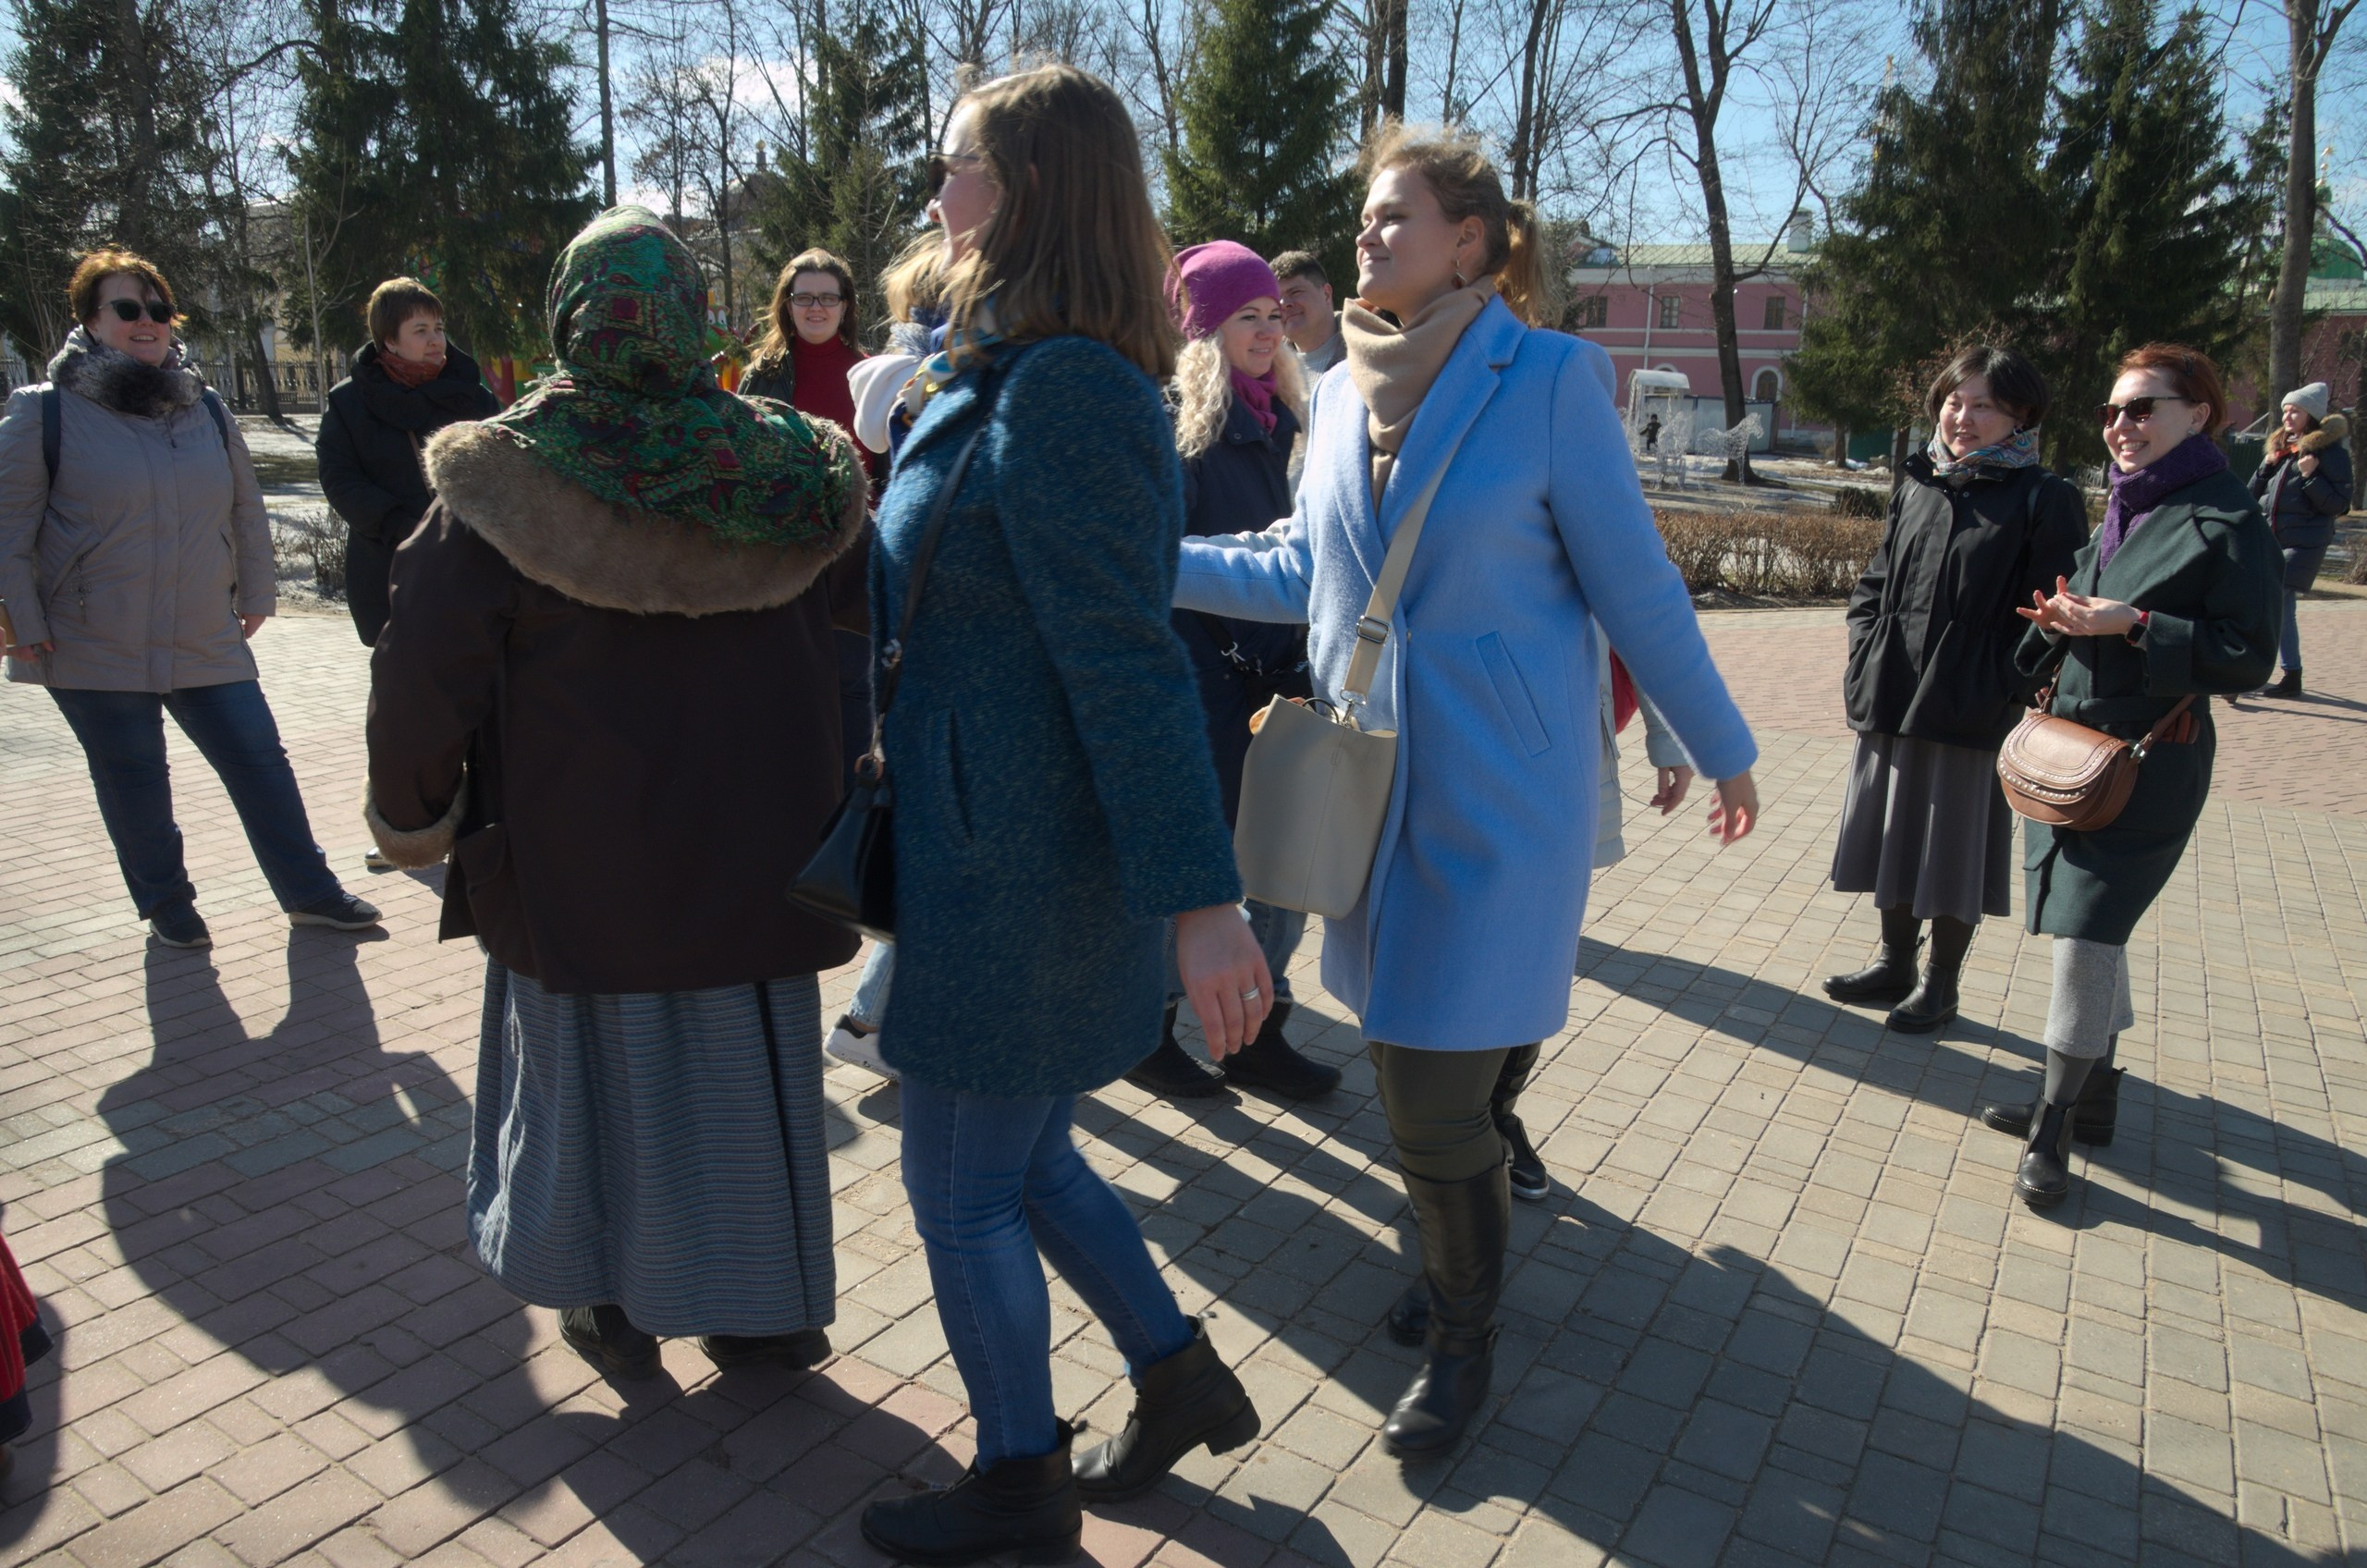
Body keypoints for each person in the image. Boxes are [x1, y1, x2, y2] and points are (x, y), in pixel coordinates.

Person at [1173, 126, 1760, 1460]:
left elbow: (1632, 580)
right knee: (1421, 1064)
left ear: (1470, 243)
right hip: (1368, 789)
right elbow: (1300, 570)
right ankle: (1453, 1241)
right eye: (1366, 215)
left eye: (1396, 216)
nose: (1366, 234)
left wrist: (1715, 739)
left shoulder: (1549, 378)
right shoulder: (1336, 392)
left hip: (1501, 798)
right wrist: (1152, 557)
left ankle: (1461, 1336)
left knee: (1432, 1092)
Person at [853, 67, 1271, 1567]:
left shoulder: (1072, 389)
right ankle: (1177, 1373)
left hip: (1019, 870)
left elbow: (1129, 662)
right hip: (993, 844)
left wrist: (1204, 900)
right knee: (1023, 1163)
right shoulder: (1008, 368)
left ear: (1028, 186)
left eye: (957, 164)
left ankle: (1020, 1483)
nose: (936, 194)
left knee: (959, 1187)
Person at [363, 207, 872, 1377]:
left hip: (580, 861)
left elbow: (422, 672)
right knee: (744, 1085)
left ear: (571, 314)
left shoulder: (502, 475)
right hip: (762, 861)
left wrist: (413, 812)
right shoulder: (792, 464)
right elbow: (876, 609)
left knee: (597, 1085)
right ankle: (763, 1306)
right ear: (692, 315)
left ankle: (612, 1292)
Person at [0, 250, 381, 949]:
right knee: (134, 777)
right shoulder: (45, 411)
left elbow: (244, 508)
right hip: (90, 635)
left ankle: (310, 893)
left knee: (260, 760)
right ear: (91, 321)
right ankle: (167, 905)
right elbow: (8, 529)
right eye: (127, 308)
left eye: (157, 309)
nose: (146, 321)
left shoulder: (201, 405)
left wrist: (257, 590)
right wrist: (20, 621)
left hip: (202, 627)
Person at [1980, 343, 2279, 1208]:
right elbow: (2085, 616)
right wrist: (2057, 622)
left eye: (2143, 408)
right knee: (2089, 931)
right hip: (2075, 754)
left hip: (2148, 766)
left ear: (2199, 415)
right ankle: (2096, 1099)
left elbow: (2247, 656)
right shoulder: (2127, 505)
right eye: (2112, 410)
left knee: (2086, 938)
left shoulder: (2229, 519)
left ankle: (2053, 1127)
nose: (2121, 425)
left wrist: (2140, 625)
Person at [1122, 239, 1336, 1102]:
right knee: (1195, 872)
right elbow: (1148, 571)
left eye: (1274, 314)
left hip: (1279, 685)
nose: (1269, 330)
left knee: (1285, 868)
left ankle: (1255, 1030)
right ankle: (1147, 1029)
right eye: (1246, 316)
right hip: (1201, 688)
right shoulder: (1176, 428)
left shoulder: (1290, 418)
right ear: (1201, 329)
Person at [1824, 347, 2086, 1033]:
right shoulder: (1920, 483)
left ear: (2021, 416)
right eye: (1953, 401)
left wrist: (2005, 681)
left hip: (1971, 702)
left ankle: (1941, 984)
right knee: (1893, 830)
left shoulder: (2043, 497)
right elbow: (1875, 581)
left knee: (1951, 845)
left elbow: (2055, 612)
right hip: (1891, 686)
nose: (1962, 417)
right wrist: (1865, 649)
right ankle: (1894, 962)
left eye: (1983, 406)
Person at [744, 249, 886, 797]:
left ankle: (849, 817)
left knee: (852, 695)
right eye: (804, 297)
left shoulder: (872, 373)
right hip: (783, 561)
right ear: (787, 305)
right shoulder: (763, 376)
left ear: (846, 306)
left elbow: (890, 464)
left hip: (853, 560)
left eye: (828, 297)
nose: (816, 307)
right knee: (785, 696)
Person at [315, 276, 503, 649]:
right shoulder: (349, 404)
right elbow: (340, 479)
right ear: (389, 340)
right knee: (404, 678)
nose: (435, 340)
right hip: (390, 571)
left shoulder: (473, 398)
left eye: (438, 328)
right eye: (420, 330)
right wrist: (400, 525)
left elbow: (502, 472)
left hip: (468, 570)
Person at [2245, 380, 2351, 698]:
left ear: (2311, 416)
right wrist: (2265, 469)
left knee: (2271, 596)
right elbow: (2250, 496)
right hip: (2272, 541)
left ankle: (2254, 666)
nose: (2287, 417)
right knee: (2281, 606)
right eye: (2286, 411)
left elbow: (2338, 505)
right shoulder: (2280, 449)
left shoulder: (2329, 452)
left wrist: (2310, 476)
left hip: (2305, 544)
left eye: (2296, 411)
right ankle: (2291, 676)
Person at [1273, 250, 1344, 375]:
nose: (1283, 303)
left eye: (1295, 292)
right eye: (1276, 299)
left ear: (1326, 294)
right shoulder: (1265, 373)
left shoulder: (1367, 352)